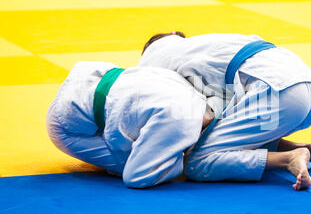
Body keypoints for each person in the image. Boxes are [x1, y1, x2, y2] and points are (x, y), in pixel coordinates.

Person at [139, 32, 311, 190]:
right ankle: (306, 149)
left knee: (197, 162)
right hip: (309, 86)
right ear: (175, 34)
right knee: (233, 134)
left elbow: (153, 115)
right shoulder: (202, 44)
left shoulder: (151, 63)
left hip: (276, 93)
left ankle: (288, 158)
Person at [46, 61, 209, 188]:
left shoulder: (189, 85)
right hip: (65, 124)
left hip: (86, 77)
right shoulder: (183, 123)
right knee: (137, 164)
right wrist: (181, 160)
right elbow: (136, 177)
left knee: (142, 130)